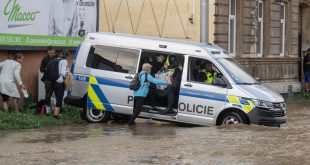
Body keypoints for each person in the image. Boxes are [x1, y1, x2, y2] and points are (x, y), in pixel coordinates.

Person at [52, 50, 68, 118]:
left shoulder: (56, 60)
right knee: (59, 99)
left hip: (53, 81)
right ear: (67, 56)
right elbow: (62, 72)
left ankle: (58, 114)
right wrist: (67, 74)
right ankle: (55, 115)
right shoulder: (64, 61)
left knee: (58, 98)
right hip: (59, 82)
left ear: (60, 54)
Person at [40, 46, 56, 114]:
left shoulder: (57, 58)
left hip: (56, 80)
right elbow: (41, 70)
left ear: (54, 51)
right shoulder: (45, 59)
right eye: (49, 53)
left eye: (52, 53)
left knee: (56, 95)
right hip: (48, 80)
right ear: (47, 52)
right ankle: (48, 111)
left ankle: (56, 110)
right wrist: (47, 68)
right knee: (48, 95)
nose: (51, 54)